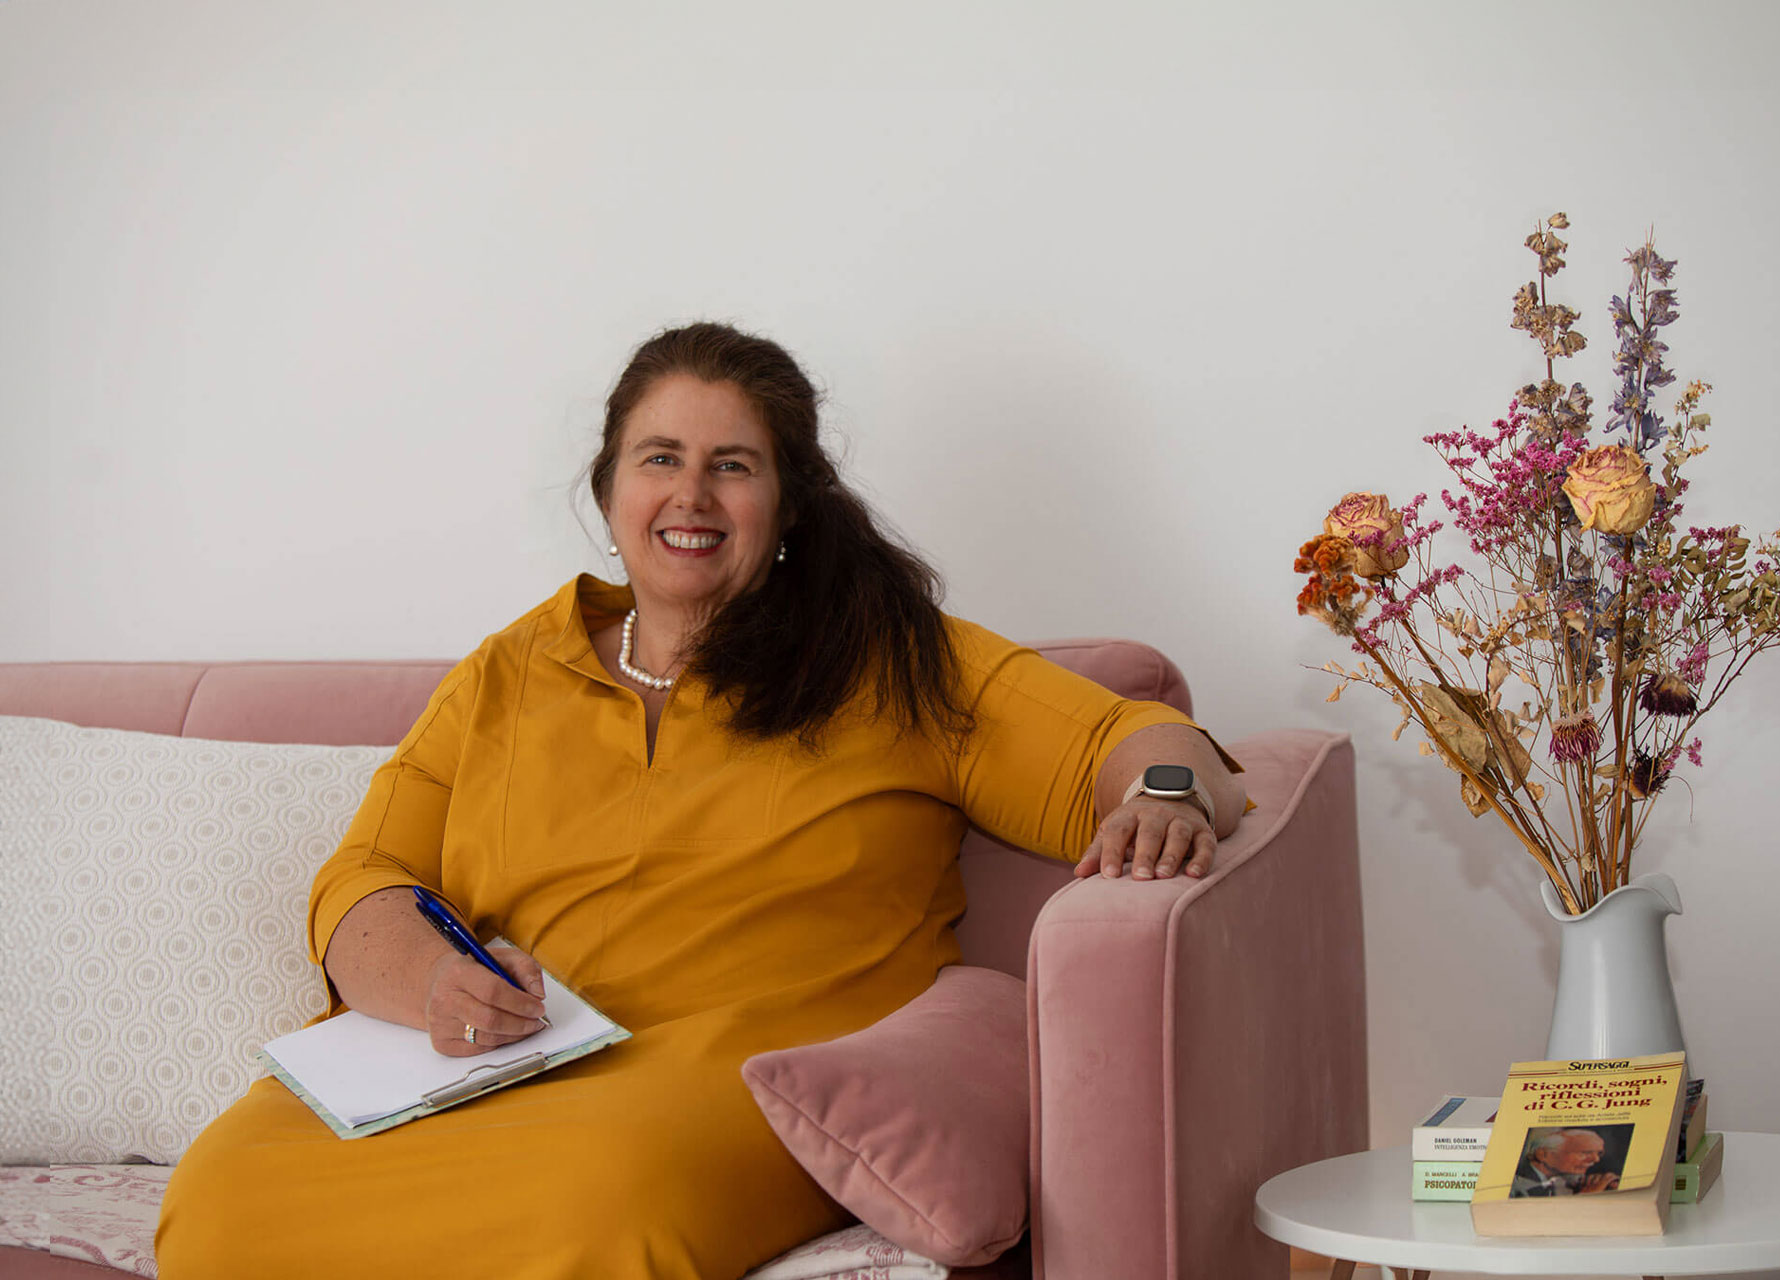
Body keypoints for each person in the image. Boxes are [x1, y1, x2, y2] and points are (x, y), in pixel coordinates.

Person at [156, 322, 1244, 1278]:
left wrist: (1165, 798)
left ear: (789, 503)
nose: (691, 495)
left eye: (733, 465)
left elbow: (1135, 737)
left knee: (598, 1205)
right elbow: (364, 876)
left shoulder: (895, 661)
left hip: (732, 1079)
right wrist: (436, 981)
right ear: (608, 490)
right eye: (660, 458)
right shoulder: (505, 673)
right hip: (499, 1062)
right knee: (221, 1198)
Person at [1510, 1128, 1620, 1197]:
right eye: (1585, 1153)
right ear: (1543, 1155)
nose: (1596, 1160)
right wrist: (1584, 1197)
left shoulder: (1565, 1184)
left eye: (1599, 1153)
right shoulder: (1514, 1186)